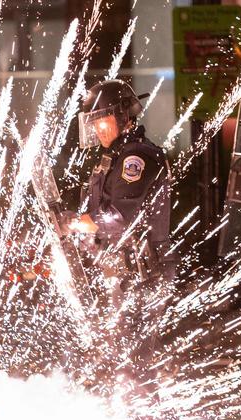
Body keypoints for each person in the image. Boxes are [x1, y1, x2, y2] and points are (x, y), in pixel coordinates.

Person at [64, 79, 174, 392]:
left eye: (102, 119)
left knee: (134, 362)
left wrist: (74, 223)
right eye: (93, 121)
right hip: (127, 269)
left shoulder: (136, 157)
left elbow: (118, 218)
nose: (97, 128)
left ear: (123, 116)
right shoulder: (113, 157)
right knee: (121, 358)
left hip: (145, 270)